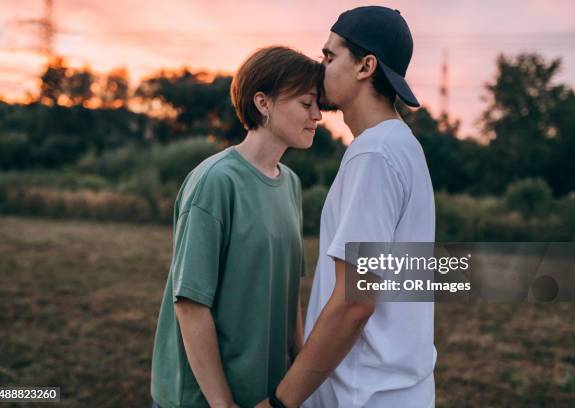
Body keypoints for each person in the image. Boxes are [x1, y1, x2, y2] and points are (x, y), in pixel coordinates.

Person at [256, 6, 437, 408]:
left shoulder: (374, 154)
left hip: (365, 396)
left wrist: (282, 402)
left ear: (365, 66)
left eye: (330, 56)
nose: (320, 69)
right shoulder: (402, 147)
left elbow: (355, 299)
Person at [150, 46, 323, 408]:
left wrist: (300, 375)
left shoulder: (290, 183)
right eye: (307, 104)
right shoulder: (214, 181)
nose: (318, 115)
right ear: (263, 103)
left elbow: (288, 293)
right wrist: (222, 404)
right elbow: (190, 305)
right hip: (204, 399)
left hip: (265, 396)